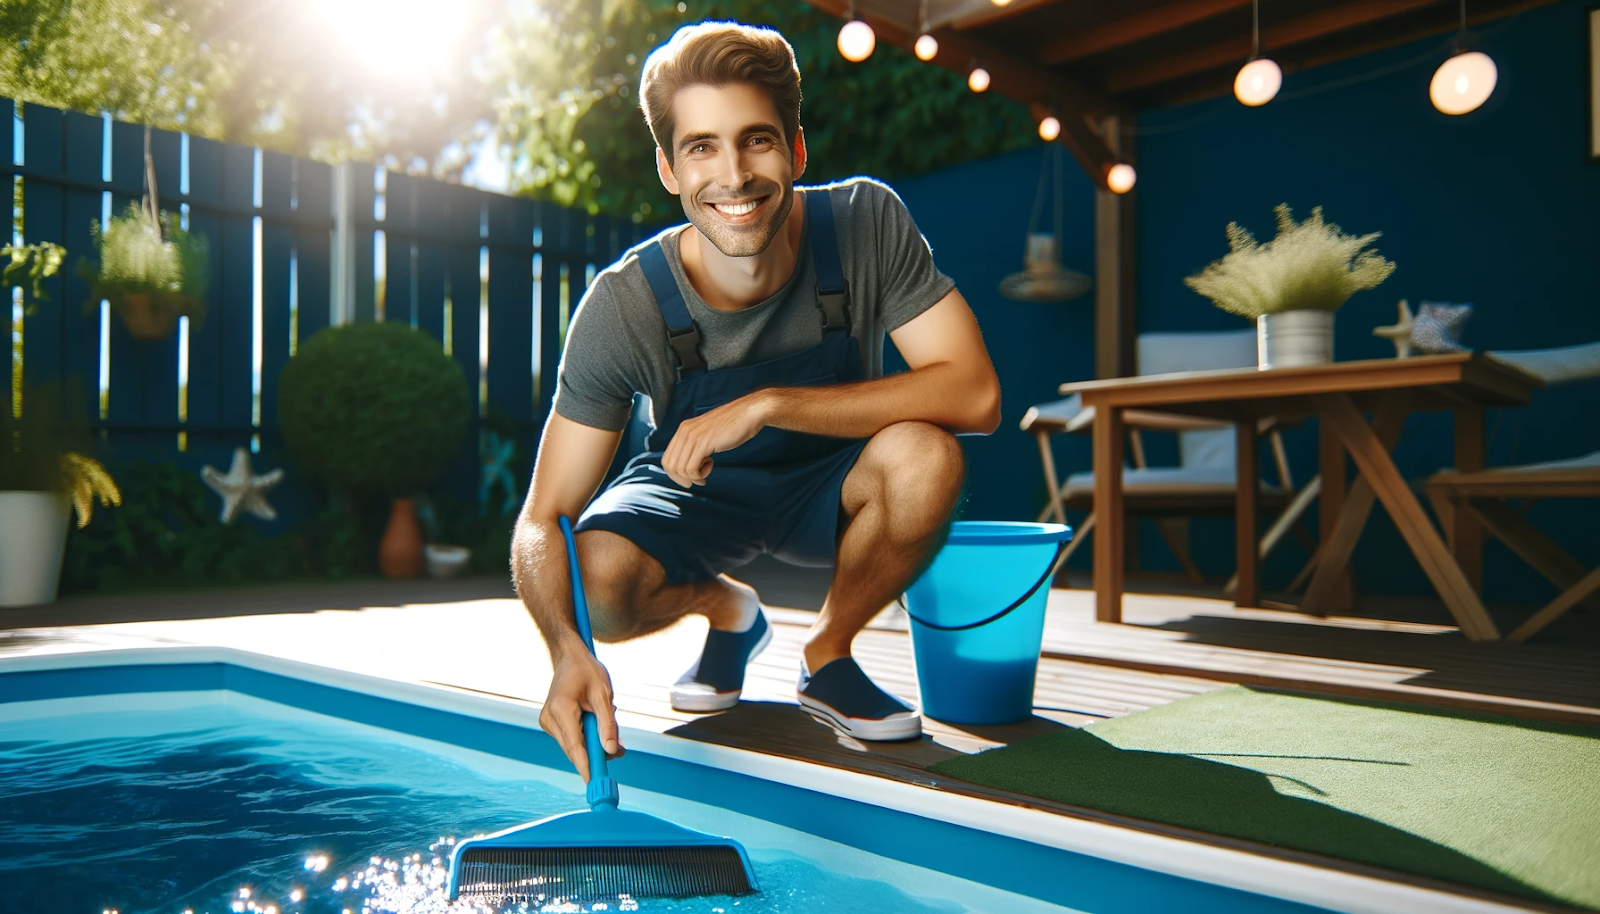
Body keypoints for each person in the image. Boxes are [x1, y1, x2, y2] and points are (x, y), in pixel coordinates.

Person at [511, 20, 1001, 780]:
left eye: (757, 140)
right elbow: (544, 517)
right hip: (694, 494)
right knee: (598, 588)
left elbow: (974, 393)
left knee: (928, 457)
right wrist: (567, 650)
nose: (733, 174)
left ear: (797, 150)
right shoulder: (624, 305)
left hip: (833, 481)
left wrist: (768, 403)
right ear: (669, 169)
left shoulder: (864, 223)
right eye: (701, 146)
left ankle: (828, 652)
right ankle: (730, 611)